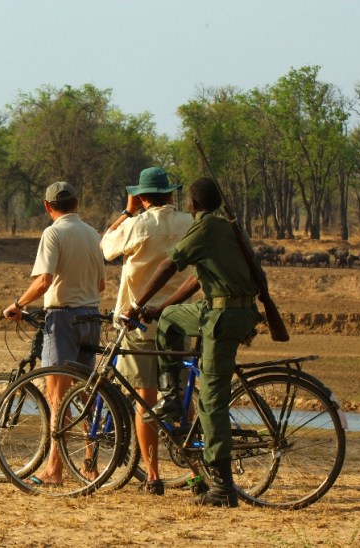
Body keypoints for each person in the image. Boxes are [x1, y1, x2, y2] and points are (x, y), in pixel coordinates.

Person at [127, 177, 262, 508]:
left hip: (223, 318)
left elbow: (169, 264)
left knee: (212, 402)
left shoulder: (203, 229)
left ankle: (223, 487)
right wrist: (160, 307)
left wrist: (137, 302)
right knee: (170, 320)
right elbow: (195, 278)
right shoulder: (227, 226)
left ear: (193, 203)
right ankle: (172, 396)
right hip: (225, 309)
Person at [3, 181, 106, 486]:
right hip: (91, 317)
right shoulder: (92, 234)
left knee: (56, 396)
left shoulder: (53, 233)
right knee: (85, 393)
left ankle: (54, 469)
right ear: (77, 203)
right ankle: (90, 466)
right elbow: (100, 286)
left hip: (63, 319)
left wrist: (18, 304)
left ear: (48, 207)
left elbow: (44, 281)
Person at [101, 167, 193, 496]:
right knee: (182, 395)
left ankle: (152, 475)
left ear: (142, 198)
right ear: (171, 194)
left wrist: (127, 212)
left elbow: (105, 246)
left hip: (140, 324)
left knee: (145, 399)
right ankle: (196, 466)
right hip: (179, 319)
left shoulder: (137, 225)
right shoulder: (187, 223)